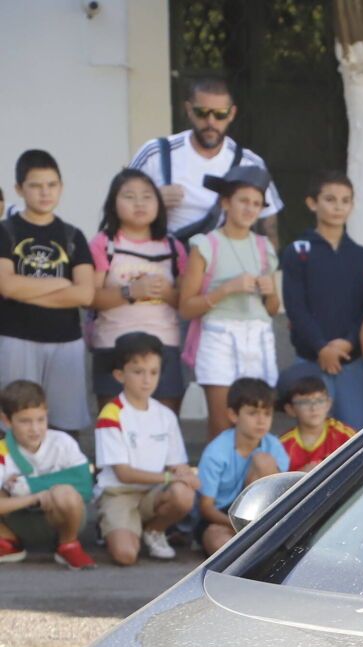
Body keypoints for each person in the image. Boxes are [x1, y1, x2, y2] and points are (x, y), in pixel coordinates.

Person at [177, 164, 280, 437]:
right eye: (243, 201)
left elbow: (272, 308)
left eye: (257, 204)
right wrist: (226, 289)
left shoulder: (263, 246)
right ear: (226, 202)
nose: (249, 209)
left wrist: (270, 291)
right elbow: (186, 307)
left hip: (258, 336)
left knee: (257, 423)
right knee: (222, 422)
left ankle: (254, 480)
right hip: (219, 335)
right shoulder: (205, 244)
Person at [0, 151, 96, 438]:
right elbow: (5, 286)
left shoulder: (72, 235)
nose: (45, 192)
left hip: (65, 341)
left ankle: (64, 479)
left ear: (61, 187)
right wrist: (62, 285)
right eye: (36, 185)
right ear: (19, 189)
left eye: (52, 185)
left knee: (64, 425)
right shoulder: (6, 232)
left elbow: (86, 294)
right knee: (14, 418)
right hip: (16, 337)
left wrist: (23, 288)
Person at [277, 169, 363, 431]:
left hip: (352, 362)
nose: (338, 207)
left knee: (355, 436)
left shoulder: (361, 256)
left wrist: (348, 342)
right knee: (313, 435)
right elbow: (296, 308)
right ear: (312, 203)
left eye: (345, 200)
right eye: (330, 199)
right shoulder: (298, 252)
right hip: (312, 359)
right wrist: (322, 348)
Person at [129, 78, 280, 241]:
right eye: (202, 112)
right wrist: (152, 200)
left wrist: (270, 264)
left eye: (220, 114)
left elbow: (268, 227)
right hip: (161, 260)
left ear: (232, 114)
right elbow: (117, 205)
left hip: (224, 261)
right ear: (189, 110)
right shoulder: (155, 153)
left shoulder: (250, 164)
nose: (211, 122)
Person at [93, 331, 195, 565]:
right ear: (120, 375)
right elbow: (123, 474)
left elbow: (178, 462)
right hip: (119, 493)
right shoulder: (111, 414)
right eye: (138, 372)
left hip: (152, 492)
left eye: (153, 372)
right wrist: (171, 476)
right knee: (126, 556)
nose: (147, 380)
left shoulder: (166, 415)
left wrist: (187, 476)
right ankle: (112, 523)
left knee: (183, 494)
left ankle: (154, 530)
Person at [88, 170, 186, 414]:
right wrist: (130, 291)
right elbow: (90, 299)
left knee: (163, 427)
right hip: (113, 345)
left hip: (164, 347)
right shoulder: (104, 243)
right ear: (113, 203)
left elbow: (185, 303)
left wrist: (166, 293)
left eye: (147, 196)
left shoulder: (174, 247)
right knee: (114, 425)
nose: (139, 203)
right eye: (129, 197)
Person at [0, 378, 93, 568]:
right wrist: (36, 497)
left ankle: (68, 544)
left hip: (60, 521)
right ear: (6, 421)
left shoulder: (62, 442)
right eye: (25, 421)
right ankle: (10, 543)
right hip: (20, 522)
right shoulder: (3, 451)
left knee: (65, 492)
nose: (35, 429)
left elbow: (85, 486)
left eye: (40, 419)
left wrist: (29, 485)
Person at [195, 376, 287, 553]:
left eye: (267, 413)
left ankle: (259, 538)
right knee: (219, 543)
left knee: (263, 460)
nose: (261, 420)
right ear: (233, 415)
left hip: (259, 515)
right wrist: (237, 523)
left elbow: (282, 490)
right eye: (253, 413)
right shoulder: (216, 451)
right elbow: (206, 507)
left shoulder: (273, 445)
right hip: (221, 518)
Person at [276, 374, 356, 472]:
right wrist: (300, 475)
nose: (313, 408)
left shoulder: (344, 435)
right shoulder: (282, 445)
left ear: (328, 404)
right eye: (305, 402)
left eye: (319, 401)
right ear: (290, 409)